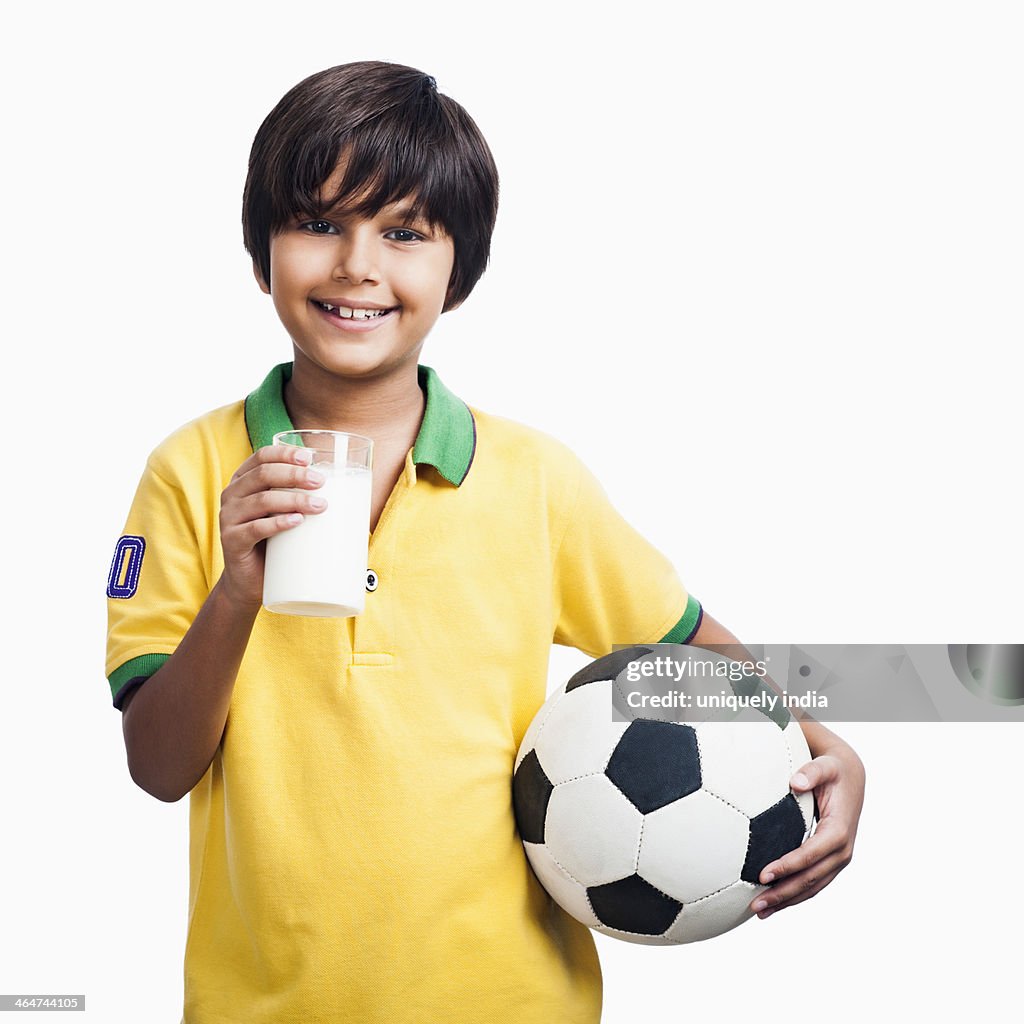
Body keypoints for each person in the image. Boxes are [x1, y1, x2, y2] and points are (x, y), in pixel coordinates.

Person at [105, 61, 865, 1024]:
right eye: (318, 223)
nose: (356, 265)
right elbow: (156, 768)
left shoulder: (535, 480)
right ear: (262, 254)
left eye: (404, 232)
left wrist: (825, 738)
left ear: (456, 271)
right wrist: (236, 593)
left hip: (510, 1002)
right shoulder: (190, 470)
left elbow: (693, 651)